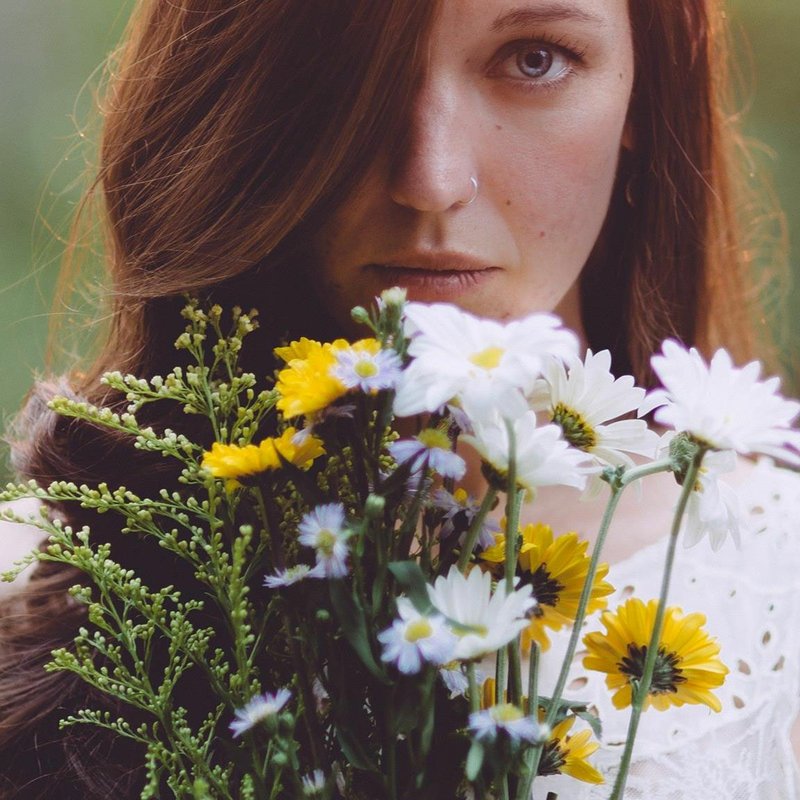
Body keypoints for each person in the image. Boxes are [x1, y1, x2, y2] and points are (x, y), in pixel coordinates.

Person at [0, 0, 798, 797]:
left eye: (534, 59)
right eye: (350, 65)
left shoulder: (776, 593)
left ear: (645, 92)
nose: (431, 179)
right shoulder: (55, 583)